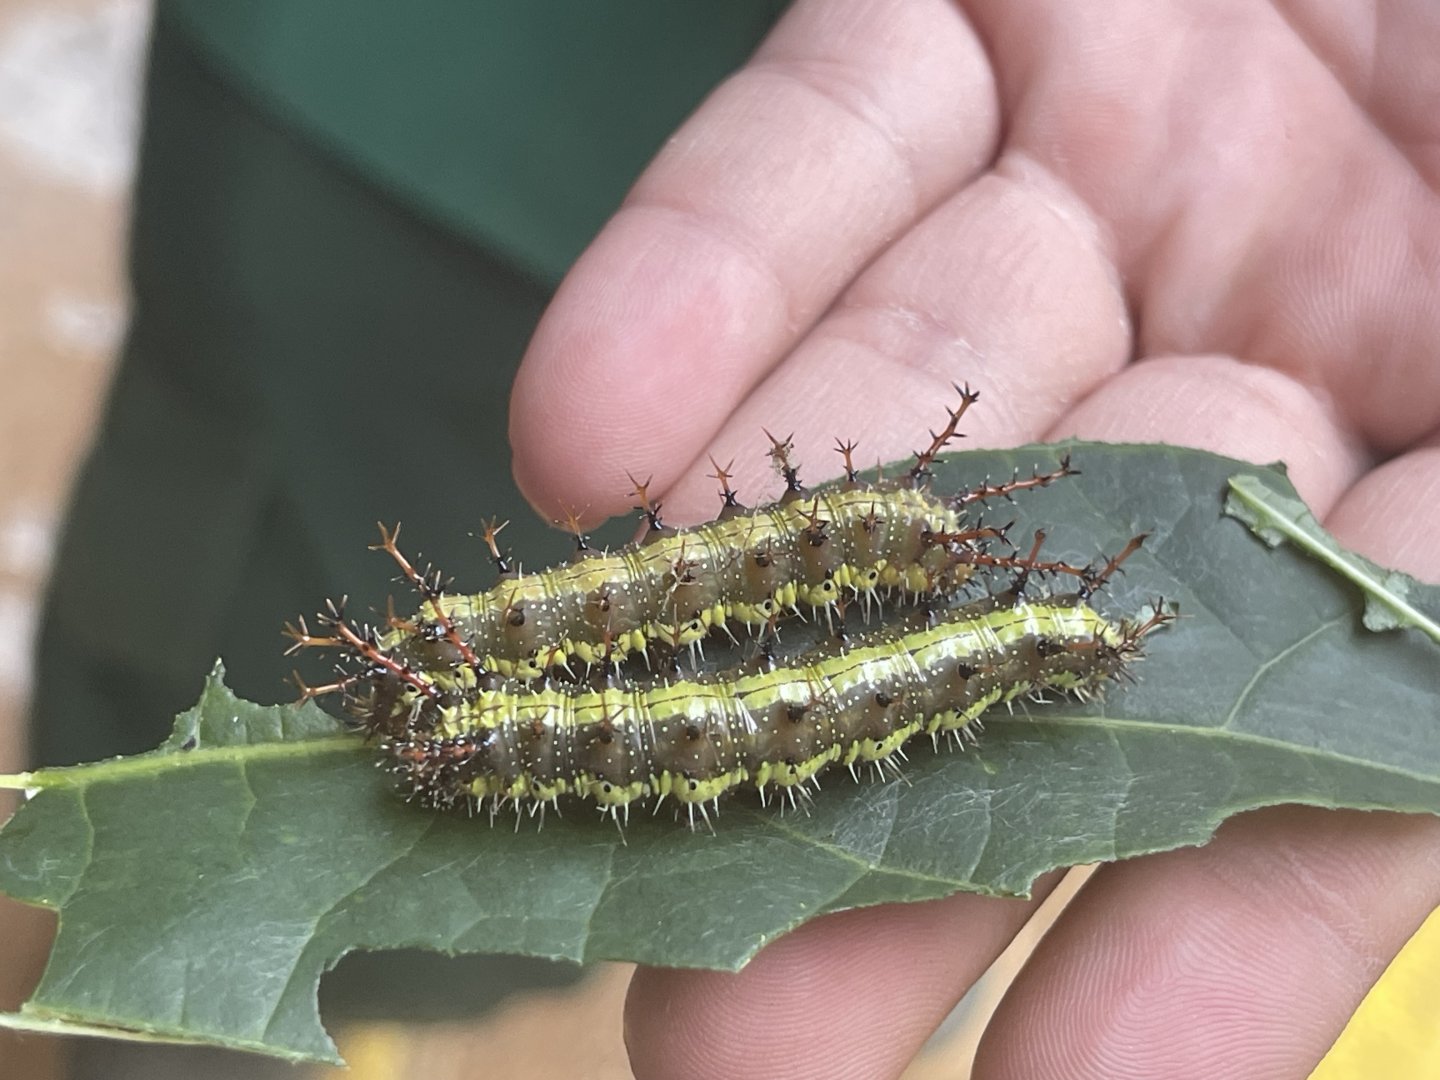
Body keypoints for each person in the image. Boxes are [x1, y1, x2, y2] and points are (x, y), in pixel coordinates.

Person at [32, 2, 1440, 1077]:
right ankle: (191, 1016)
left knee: (422, 886)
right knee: (212, 671)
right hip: (415, 122)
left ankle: (354, 996)